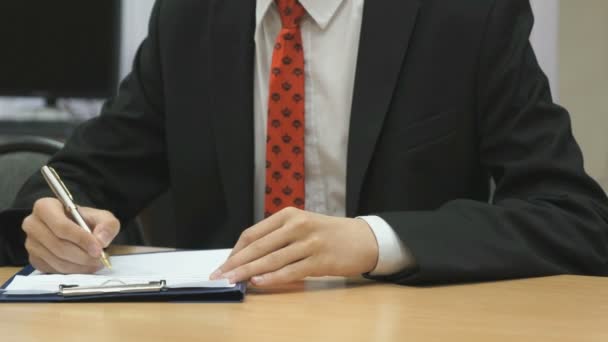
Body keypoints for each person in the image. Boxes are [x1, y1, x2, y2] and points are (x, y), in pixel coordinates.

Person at [1, 0, 607, 286]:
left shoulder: (467, 16)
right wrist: (54, 220)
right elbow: (77, 176)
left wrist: (377, 240)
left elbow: (575, 220)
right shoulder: (191, 18)